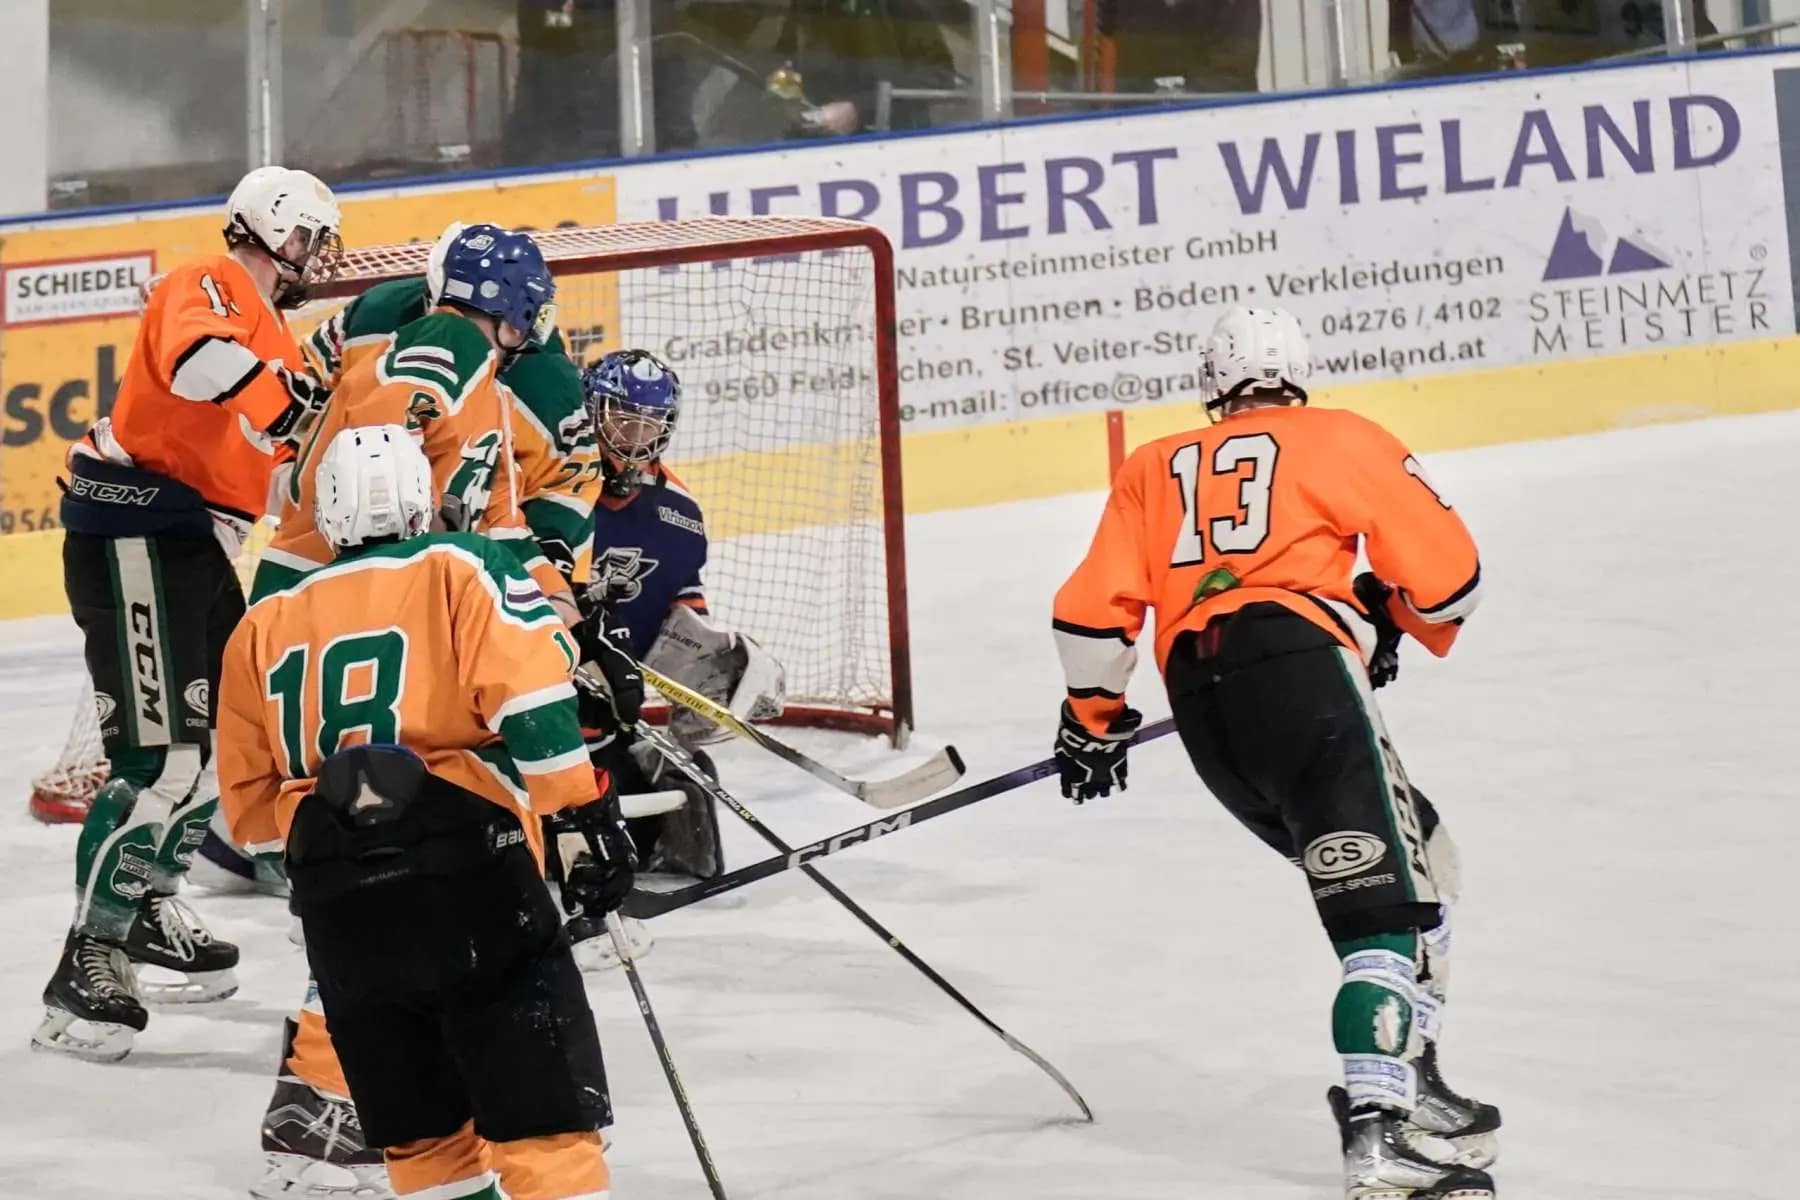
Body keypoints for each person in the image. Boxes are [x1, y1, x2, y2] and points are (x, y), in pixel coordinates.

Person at [1050, 306, 1500, 1198]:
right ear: (1299, 373)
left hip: (1205, 708)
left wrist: (1093, 720)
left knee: (1425, 859)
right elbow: (1451, 583)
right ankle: (1380, 1135)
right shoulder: (1341, 437)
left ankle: (1408, 1074)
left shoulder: (1150, 467)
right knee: (1379, 913)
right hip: (1304, 681)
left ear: (1211, 385)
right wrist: (1385, 616)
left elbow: (1091, 616)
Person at [217, 425, 635, 1200]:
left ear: (328, 515)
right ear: (421, 500)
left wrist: (351, 834)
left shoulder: (262, 624)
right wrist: (582, 815)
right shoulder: (461, 564)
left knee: (426, 1141)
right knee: (541, 1121)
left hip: (336, 897)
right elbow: (531, 699)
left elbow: (247, 816)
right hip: (467, 867)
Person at [31, 165, 341, 1062]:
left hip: (195, 545)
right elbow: (200, 364)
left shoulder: (277, 333)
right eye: (310, 235)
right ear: (272, 227)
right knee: (159, 759)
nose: (318, 254)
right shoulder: (209, 281)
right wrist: (289, 401)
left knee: (223, 750)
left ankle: (146, 905)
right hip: (137, 531)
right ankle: (87, 954)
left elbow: (267, 472)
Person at [575, 349, 787, 900]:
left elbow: (682, 601)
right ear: (591, 412)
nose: (636, 436)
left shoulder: (680, 512)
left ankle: (672, 864)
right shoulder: (552, 491)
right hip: (549, 691)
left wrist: (715, 661)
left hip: (618, 696)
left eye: (650, 422)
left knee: (684, 766)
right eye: (623, 418)